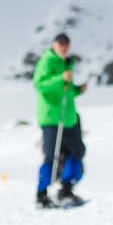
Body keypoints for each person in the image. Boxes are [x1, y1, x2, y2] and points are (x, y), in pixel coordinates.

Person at [32, 33, 88, 207]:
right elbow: (40, 84)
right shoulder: (47, 61)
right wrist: (59, 79)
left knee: (77, 150)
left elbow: (66, 91)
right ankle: (41, 195)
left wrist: (77, 90)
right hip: (52, 117)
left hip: (68, 117)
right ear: (54, 45)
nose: (64, 47)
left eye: (66, 44)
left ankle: (66, 188)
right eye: (60, 43)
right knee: (52, 155)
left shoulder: (66, 63)